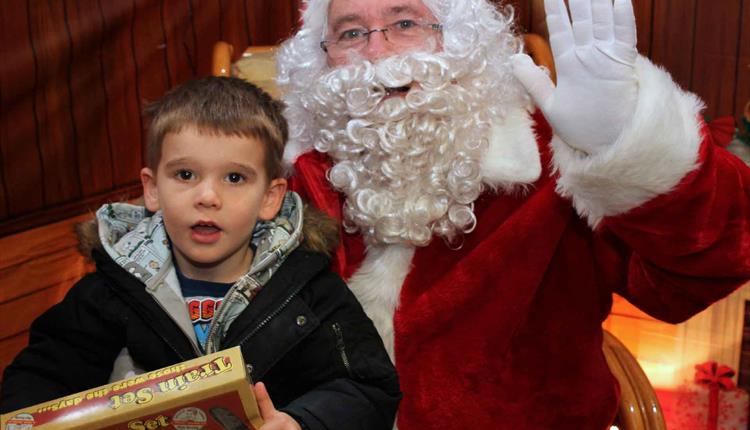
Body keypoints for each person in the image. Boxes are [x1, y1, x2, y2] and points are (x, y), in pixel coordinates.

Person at [276, 0, 750, 428]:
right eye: (351, 33)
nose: (378, 53)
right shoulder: (293, 174)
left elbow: (700, 271)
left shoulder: (551, 153)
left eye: (404, 23)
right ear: (322, 57)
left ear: (459, 37)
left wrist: (625, 148)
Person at [0, 77, 401, 430]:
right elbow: (41, 375)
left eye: (234, 178)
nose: (207, 197)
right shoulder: (110, 289)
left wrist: (300, 422)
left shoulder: (308, 290)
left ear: (270, 197)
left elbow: (367, 388)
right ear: (152, 188)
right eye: (185, 175)